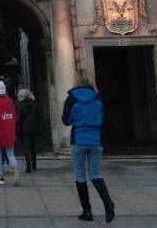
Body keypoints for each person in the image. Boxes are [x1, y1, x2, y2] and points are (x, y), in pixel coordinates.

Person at [62, 71, 115, 222]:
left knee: (80, 175)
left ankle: (87, 212)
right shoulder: (97, 97)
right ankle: (108, 203)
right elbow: (104, 117)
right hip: (96, 138)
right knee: (96, 174)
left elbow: (65, 120)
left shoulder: (71, 98)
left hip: (79, 138)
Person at [0, 80, 19, 186]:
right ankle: (15, 167)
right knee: (10, 154)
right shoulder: (10, 102)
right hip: (9, 131)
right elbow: (14, 117)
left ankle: (1, 177)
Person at [15, 88, 38, 174]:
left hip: (24, 128)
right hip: (34, 127)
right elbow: (38, 116)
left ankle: (28, 166)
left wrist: (16, 127)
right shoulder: (34, 103)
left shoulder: (20, 105)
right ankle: (34, 165)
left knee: (26, 147)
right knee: (33, 146)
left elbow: (19, 119)